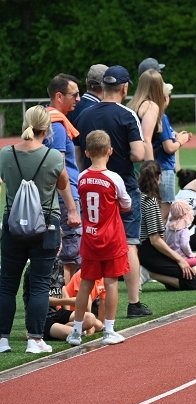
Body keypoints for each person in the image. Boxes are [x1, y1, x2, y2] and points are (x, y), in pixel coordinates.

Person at [0, 105, 80, 354]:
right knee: (40, 284)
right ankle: (35, 339)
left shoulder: (6, 153)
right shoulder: (53, 157)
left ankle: (2, 339)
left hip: (13, 224)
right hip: (45, 225)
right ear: (46, 129)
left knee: (6, 284)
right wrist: (73, 211)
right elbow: (63, 184)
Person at [73, 65, 149, 318]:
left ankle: (91, 303)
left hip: (91, 184)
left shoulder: (84, 115)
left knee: (94, 241)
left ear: (102, 86)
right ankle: (134, 302)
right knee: (128, 243)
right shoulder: (127, 115)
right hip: (122, 184)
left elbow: (77, 153)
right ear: (125, 87)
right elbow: (138, 153)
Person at [67, 129, 131, 346]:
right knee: (111, 283)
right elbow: (126, 204)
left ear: (86, 152)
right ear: (110, 151)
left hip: (90, 238)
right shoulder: (114, 178)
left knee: (85, 283)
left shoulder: (82, 177)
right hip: (112, 239)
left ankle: (75, 331)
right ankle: (109, 330)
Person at [137, 160, 196, 290]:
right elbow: (155, 240)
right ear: (158, 177)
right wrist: (180, 259)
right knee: (194, 282)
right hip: (148, 251)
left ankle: (152, 272)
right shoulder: (150, 201)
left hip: (143, 249)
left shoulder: (139, 197)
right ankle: (150, 273)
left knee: (181, 278)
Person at [45, 73, 83, 284]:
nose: (78, 99)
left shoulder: (44, 118)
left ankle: (56, 300)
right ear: (59, 96)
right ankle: (65, 304)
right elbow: (59, 168)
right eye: (74, 94)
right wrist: (71, 207)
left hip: (52, 196)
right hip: (64, 196)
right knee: (70, 256)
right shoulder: (58, 126)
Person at [22, 256, 102, 343]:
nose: (58, 246)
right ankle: (35, 331)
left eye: (59, 243)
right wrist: (71, 301)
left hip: (57, 312)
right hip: (41, 318)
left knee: (90, 319)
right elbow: (42, 299)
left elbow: (62, 289)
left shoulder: (58, 263)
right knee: (72, 333)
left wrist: (66, 314)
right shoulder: (34, 269)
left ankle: (63, 327)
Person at [154, 82, 192, 221]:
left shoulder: (151, 113)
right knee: (165, 211)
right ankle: (159, 241)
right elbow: (169, 147)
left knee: (155, 210)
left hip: (155, 167)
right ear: (164, 98)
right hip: (164, 167)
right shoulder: (161, 116)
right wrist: (182, 140)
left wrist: (175, 136)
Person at [129, 68, 166, 163]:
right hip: (141, 163)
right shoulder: (150, 106)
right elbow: (146, 140)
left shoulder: (132, 104)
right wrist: (151, 170)